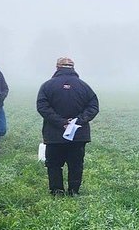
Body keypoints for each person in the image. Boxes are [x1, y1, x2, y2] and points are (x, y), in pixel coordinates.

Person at [36, 56, 99, 196]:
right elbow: (93, 107)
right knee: (76, 164)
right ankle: (74, 191)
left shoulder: (47, 86)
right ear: (73, 68)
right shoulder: (84, 86)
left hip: (54, 134)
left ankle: (57, 190)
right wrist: (77, 121)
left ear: (57, 67)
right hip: (78, 134)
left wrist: (61, 122)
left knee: (53, 164)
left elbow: (42, 107)